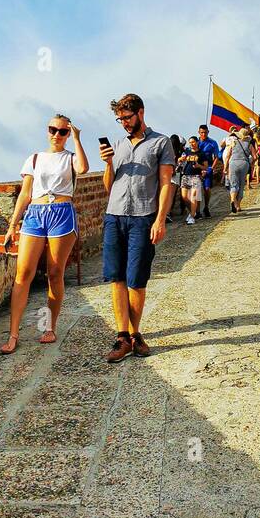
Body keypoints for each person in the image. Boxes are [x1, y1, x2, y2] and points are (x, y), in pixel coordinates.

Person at [0, 114, 89, 354]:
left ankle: (50, 326)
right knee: (23, 273)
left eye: (62, 131)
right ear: (47, 130)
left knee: (54, 272)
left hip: (62, 213)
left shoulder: (70, 158)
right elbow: (25, 194)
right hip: (35, 214)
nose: (56, 135)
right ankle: (13, 334)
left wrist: (78, 140)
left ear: (68, 134)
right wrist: (12, 225)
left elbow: (83, 168)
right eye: (53, 129)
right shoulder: (35, 158)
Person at [100, 93, 175, 363]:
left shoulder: (160, 143)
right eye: (119, 119)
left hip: (143, 217)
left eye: (127, 118)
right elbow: (109, 186)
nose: (124, 124)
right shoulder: (118, 145)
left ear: (141, 113)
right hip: (114, 215)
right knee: (116, 278)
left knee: (136, 280)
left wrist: (160, 219)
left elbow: (166, 184)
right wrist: (108, 163)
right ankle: (123, 336)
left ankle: (135, 333)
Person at [223, 127, 255, 213]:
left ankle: (233, 200)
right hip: (244, 164)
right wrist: (251, 164)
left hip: (233, 163)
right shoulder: (249, 144)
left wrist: (225, 167)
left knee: (234, 184)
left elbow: (227, 156)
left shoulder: (233, 143)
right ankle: (238, 206)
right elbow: (255, 157)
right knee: (241, 185)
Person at [176, 135, 205, 224]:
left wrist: (198, 166)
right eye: (190, 142)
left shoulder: (201, 153)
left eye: (193, 142)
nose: (191, 144)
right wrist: (181, 159)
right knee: (184, 197)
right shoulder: (186, 152)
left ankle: (192, 216)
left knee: (193, 197)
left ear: (197, 142)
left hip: (196, 176)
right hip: (185, 176)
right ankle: (193, 211)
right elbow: (179, 160)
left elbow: (206, 167)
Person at [197, 124, 220, 219]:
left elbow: (216, 157)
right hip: (197, 168)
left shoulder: (212, 143)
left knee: (207, 189)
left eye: (205, 132)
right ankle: (196, 210)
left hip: (208, 168)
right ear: (199, 132)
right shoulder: (195, 142)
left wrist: (211, 168)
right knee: (196, 190)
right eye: (202, 132)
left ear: (208, 132)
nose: (203, 134)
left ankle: (206, 207)